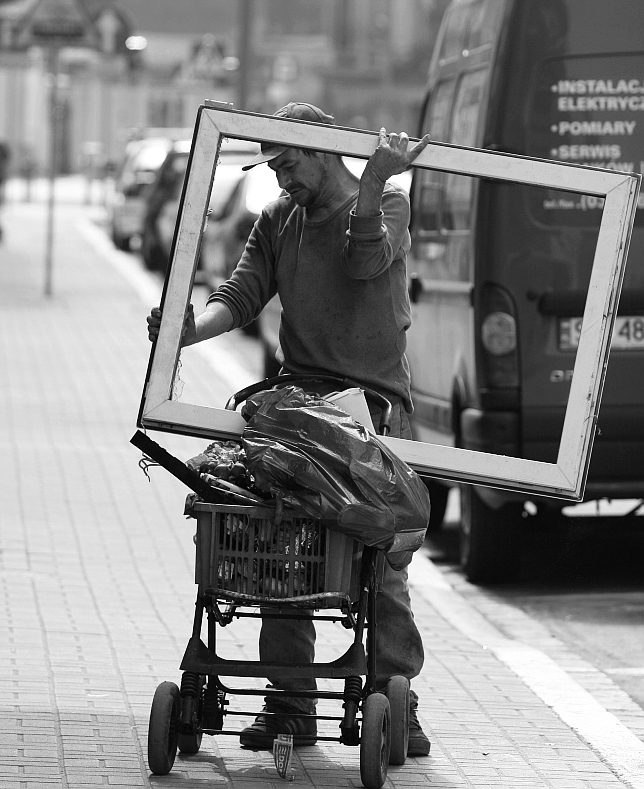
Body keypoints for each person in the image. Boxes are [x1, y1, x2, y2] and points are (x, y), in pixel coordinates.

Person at [147, 102, 431, 756]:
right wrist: (191, 329)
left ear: (324, 149)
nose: (280, 181)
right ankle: (289, 704)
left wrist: (368, 184)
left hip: (372, 410)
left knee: (380, 558)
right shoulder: (279, 221)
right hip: (300, 408)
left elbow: (366, 264)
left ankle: (398, 697)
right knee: (280, 547)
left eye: (289, 164)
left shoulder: (388, 205)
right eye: (273, 168)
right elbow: (241, 294)